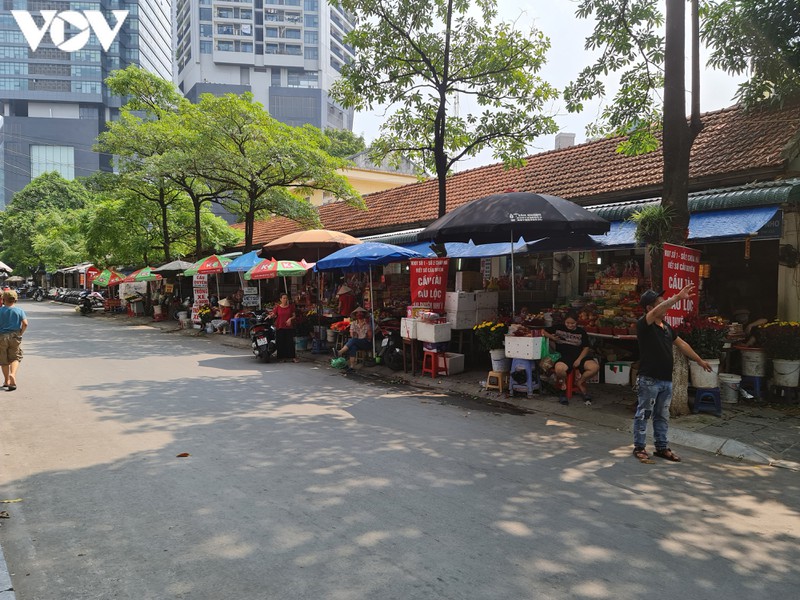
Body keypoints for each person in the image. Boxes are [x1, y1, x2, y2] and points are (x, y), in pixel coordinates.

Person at [634, 285, 712, 463]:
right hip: (649, 380)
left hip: (665, 381)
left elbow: (682, 344)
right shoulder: (644, 324)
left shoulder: (666, 327)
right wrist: (677, 297)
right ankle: (639, 447)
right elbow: (656, 312)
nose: (666, 307)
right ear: (650, 308)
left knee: (662, 415)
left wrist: (699, 360)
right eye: (661, 304)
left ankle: (661, 447)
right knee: (644, 414)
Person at [543, 310, 599, 404]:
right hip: (564, 356)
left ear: (577, 322)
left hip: (579, 356)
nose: (570, 325)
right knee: (559, 369)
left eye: (572, 323)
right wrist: (552, 337)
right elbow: (543, 331)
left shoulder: (581, 332)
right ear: (564, 322)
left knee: (595, 367)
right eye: (567, 323)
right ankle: (563, 386)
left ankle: (580, 382)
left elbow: (586, 348)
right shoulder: (558, 328)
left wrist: (579, 360)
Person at [0, 290, 28, 391]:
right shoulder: (19, 311)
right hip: (15, 336)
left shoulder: (0, 311)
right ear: (15, 299)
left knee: (3, 360)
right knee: (15, 357)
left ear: (3, 299)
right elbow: (25, 323)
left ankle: (6, 380)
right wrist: (20, 332)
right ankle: (13, 375)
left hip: (2, 337)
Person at [335, 307, 372, 372]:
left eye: (360, 313)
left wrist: (365, 335)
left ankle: (340, 352)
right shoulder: (353, 324)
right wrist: (353, 333)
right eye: (357, 313)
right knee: (353, 347)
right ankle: (352, 366)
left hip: (366, 343)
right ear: (356, 315)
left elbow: (370, 337)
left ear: (363, 314)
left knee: (353, 341)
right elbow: (352, 335)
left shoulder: (367, 324)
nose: (359, 314)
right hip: (357, 341)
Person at [270, 293, 299, 362]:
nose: (285, 300)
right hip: (280, 326)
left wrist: (290, 319)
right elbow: (273, 314)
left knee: (290, 342)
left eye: (286, 298)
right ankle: (281, 358)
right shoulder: (277, 307)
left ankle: (292, 357)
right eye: (284, 298)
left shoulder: (290, 307)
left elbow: (294, 315)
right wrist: (270, 316)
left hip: (288, 327)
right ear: (280, 299)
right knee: (280, 342)